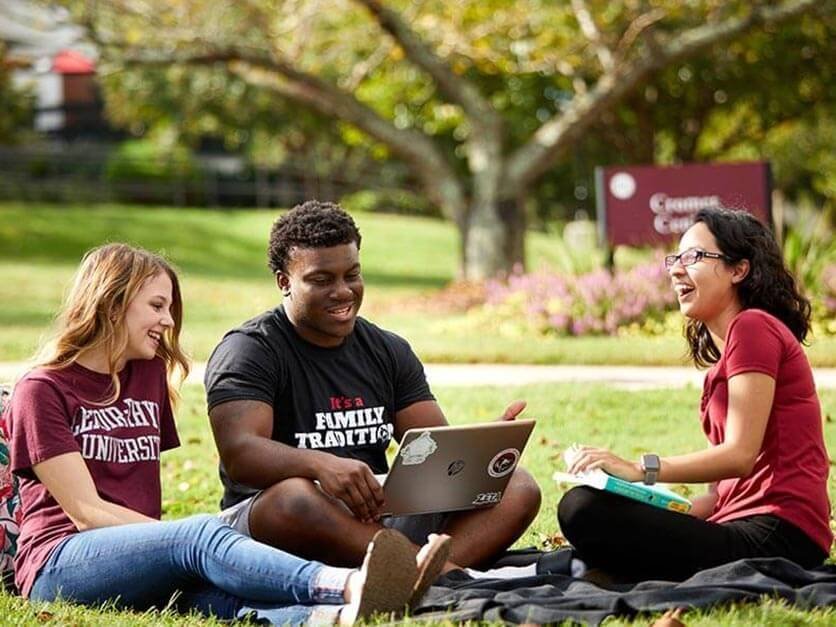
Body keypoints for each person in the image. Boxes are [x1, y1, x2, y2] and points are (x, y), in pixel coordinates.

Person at [7, 243, 449, 624]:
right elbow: (86, 513)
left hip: (137, 553)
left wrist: (171, 547)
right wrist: (177, 540)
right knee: (199, 539)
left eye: (170, 308)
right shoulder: (42, 390)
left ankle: (333, 615)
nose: (168, 322)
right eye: (156, 306)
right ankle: (348, 584)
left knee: (218, 599)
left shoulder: (145, 376)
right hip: (60, 561)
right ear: (112, 302)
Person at [205, 200, 541, 570]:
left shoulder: (387, 349)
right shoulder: (249, 349)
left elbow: (434, 449)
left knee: (518, 486)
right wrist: (320, 466)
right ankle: (431, 571)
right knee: (295, 498)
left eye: (352, 274)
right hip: (281, 521)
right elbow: (241, 455)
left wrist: (475, 454)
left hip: (373, 517)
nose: (343, 291)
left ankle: (419, 576)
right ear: (284, 282)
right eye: (322, 279)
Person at [557, 207, 832, 582]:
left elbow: (739, 455)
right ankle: (589, 567)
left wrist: (639, 470)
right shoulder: (722, 365)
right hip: (738, 525)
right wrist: (648, 506)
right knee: (597, 507)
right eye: (676, 258)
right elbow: (720, 498)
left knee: (582, 509)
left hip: (781, 535)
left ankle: (595, 567)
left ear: (739, 269)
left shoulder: (754, 327)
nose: (676, 269)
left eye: (695, 257)